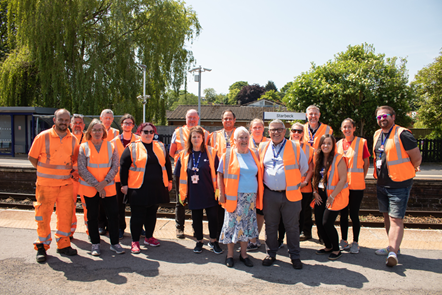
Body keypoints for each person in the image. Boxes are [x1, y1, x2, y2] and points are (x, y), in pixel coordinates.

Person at [373, 106, 421, 267]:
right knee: (387, 217)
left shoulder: (403, 134)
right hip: (382, 183)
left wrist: (408, 170)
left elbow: (417, 158)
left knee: (396, 219)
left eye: (385, 116)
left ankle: (393, 252)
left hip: (399, 183)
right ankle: (392, 247)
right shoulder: (377, 134)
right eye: (379, 117)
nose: (382, 119)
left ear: (393, 117)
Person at [28, 109, 79, 263]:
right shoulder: (43, 137)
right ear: (54, 120)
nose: (63, 123)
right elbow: (32, 157)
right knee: (43, 217)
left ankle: (63, 245)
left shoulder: (73, 139)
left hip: (65, 185)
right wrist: (44, 172)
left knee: (65, 216)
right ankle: (42, 246)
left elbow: (74, 160)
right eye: (60, 120)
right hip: (45, 185)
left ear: (69, 121)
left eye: (66, 120)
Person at [258, 119, 308, 269]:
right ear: (269, 132)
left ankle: (295, 256)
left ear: (285, 131)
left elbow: (304, 168)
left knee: (292, 226)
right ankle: (271, 253)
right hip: (269, 194)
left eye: (279, 129)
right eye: (273, 130)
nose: (276, 132)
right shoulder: (262, 147)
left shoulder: (295, 147)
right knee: (271, 226)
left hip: (290, 194)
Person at [120, 122, 173, 254]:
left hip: (156, 187)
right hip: (138, 187)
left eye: (151, 132)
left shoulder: (160, 146)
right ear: (139, 133)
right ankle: (135, 241)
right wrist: (124, 185)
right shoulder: (132, 147)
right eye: (146, 131)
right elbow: (123, 167)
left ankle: (149, 237)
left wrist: (170, 181)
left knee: (151, 214)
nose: (149, 134)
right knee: (137, 215)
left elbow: (167, 164)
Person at [78, 119, 124, 256]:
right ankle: (95, 244)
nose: (97, 132)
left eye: (100, 130)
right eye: (94, 130)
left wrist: (104, 182)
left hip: (108, 188)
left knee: (113, 215)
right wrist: (97, 185)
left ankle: (115, 243)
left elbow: (115, 166)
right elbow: (81, 169)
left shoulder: (111, 146)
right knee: (92, 217)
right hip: (90, 189)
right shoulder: (83, 147)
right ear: (89, 132)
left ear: (104, 132)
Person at [218, 127, 263, 268]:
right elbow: (220, 174)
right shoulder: (228, 154)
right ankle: (230, 255)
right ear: (235, 140)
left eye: (245, 137)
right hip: (234, 198)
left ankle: (244, 255)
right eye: (240, 138)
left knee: (246, 227)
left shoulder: (254, 153)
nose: (243, 140)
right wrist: (221, 193)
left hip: (250, 198)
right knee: (232, 226)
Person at [175, 126, 222, 254]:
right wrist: (182, 193)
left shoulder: (211, 152)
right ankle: (199, 241)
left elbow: (218, 173)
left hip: (210, 192)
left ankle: (213, 241)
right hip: (193, 193)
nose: (196, 139)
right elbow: (179, 175)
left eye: (198, 137)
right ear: (190, 138)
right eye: (194, 136)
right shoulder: (184, 154)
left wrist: (219, 190)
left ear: (203, 138)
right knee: (196, 219)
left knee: (213, 217)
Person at [169, 109, 209, 239]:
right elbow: (171, 152)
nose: (191, 120)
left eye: (194, 117)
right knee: (180, 199)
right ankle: (179, 227)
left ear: (198, 119)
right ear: (185, 119)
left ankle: (195, 228)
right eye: (189, 117)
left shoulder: (206, 134)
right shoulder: (178, 132)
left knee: (196, 198)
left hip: (198, 170)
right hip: (181, 170)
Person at [312, 134, 349, 261]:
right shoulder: (318, 157)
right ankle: (327, 246)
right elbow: (315, 177)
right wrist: (314, 192)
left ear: (333, 145)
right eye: (323, 143)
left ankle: (336, 249)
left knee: (327, 223)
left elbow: (343, 179)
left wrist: (332, 196)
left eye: (328, 143)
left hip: (334, 195)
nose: (325, 146)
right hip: (320, 194)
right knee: (318, 221)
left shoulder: (339, 158)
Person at [336, 118, 370, 254]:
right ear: (341, 129)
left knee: (354, 215)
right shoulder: (338, 144)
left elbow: (366, 163)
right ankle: (343, 240)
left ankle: (355, 242)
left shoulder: (362, 142)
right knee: (343, 215)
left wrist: (361, 176)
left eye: (349, 127)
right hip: (342, 186)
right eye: (344, 127)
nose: (347, 129)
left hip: (356, 185)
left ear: (354, 128)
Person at [278, 123, 314, 243]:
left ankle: (297, 238)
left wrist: (305, 182)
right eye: (294, 131)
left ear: (303, 133)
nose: (296, 133)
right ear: (290, 132)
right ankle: (281, 239)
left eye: (299, 131)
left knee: (302, 213)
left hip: (303, 187)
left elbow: (311, 168)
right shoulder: (284, 146)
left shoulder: (309, 149)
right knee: (284, 215)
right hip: (288, 187)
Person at [111, 114, 139, 240]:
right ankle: (120, 227)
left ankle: (139, 227)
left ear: (133, 125)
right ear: (121, 125)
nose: (127, 125)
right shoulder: (113, 142)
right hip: (118, 179)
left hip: (135, 178)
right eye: (125, 123)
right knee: (119, 205)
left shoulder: (139, 140)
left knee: (137, 205)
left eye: (130, 123)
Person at [210, 109, 237, 239]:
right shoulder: (214, 135)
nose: (228, 120)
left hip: (234, 175)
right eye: (225, 118)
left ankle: (234, 233)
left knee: (233, 205)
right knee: (219, 205)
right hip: (218, 175)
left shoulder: (240, 133)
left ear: (234, 120)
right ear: (222, 120)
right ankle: (220, 233)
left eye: (230, 118)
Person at [246, 118, 269, 251]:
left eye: (260, 127)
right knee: (249, 210)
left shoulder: (268, 142)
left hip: (264, 182)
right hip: (249, 181)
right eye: (255, 127)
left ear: (263, 129)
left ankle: (255, 237)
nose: (257, 129)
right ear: (251, 129)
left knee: (260, 212)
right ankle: (248, 237)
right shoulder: (246, 141)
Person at [98, 109, 120, 235]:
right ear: (101, 118)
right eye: (106, 118)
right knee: (100, 200)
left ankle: (110, 224)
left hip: (111, 170)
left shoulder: (116, 132)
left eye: (110, 118)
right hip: (98, 169)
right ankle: (100, 224)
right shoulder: (95, 129)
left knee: (111, 200)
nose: (108, 120)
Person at [68, 113, 86, 239]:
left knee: (89, 206)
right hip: (70, 179)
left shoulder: (89, 138)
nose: (77, 125)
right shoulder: (65, 139)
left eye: (80, 123)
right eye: (75, 123)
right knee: (69, 206)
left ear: (84, 125)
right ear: (70, 124)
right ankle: (69, 232)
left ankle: (91, 231)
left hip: (85, 179)